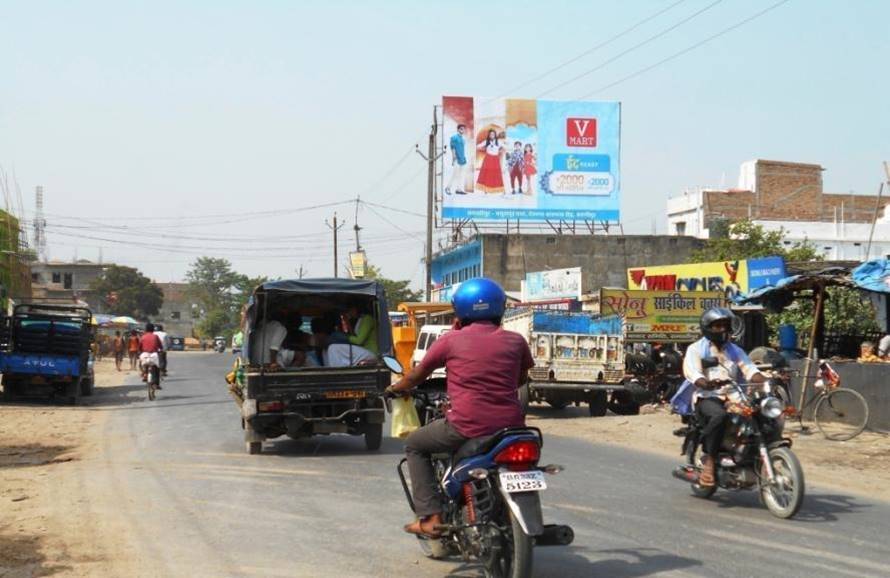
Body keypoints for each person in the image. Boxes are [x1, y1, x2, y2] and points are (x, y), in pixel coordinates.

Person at [387, 277, 533, 537]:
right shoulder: (516, 340)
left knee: (415, 445)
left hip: (467, 426)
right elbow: (520, 379)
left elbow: (416, 376)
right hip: (511, 429)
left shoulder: (450, 340)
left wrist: (395, 388)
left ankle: (431, 517)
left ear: (460, 310)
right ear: (500, 308)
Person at [682, 308, 764, 487]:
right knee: (720, 416)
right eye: (717, 326)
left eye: (725, 326)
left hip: (735, 396)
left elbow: (749, 369)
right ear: (707, 328)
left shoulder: (735, 350)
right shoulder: (696, 349)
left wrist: (765, 379)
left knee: (763, 413)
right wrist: (706, 383)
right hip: (708, 397)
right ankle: (709, 461)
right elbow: (692, 373)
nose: (722, 330)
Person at [475, 129, 505, 194]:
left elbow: (504, 147)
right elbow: (477, 146)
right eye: (491, 134)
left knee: (496, 173)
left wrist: (500, 151)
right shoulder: (486, 141)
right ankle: (485, 190)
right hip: (488, 159)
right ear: (489, 135)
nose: (492, 135)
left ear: (495, 135)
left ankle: (497, 189)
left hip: (495, 159)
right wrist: (484, 149)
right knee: (486, 173)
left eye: (493, 134)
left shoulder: (498, 142)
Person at [138, 323, 164, 387]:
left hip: (145, 354)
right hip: (154, 355)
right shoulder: (155, 336)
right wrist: (161, 350)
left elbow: (139, 347)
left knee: (141, 363)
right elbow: (160, 346)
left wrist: (140, 352)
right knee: (157, 368)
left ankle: (144, 373)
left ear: (146, 329)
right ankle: (156, 384)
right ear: (153, 329)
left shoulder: (143, 337)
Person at [445, 124, 469, 195]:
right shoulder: (454, 137)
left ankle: (459, 189)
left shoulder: (463, 139)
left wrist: (464, 158)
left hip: (463, 159)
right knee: (455, 174)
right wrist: (453, 157)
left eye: (464, 129)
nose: (463, 130)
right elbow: (452, 148)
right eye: (461, 129)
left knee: (461, 175)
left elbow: (462, 149)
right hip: (456, 159)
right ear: (458, 129)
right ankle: (448, 188)